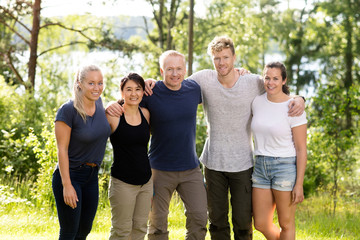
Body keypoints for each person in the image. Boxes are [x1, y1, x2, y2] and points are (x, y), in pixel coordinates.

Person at [179, 36, 305, 240]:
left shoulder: (252, 82)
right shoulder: (203, 79)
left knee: (243, 222)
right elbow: (175, 87)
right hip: (213, 163)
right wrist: (149, 83)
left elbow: (278, 90)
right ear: (212, 59)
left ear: (234, 57)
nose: (221, 62)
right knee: (217, 221)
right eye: (217, 58)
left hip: (243, 164)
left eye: (226, 57)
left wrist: (300, 99)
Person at [107, 50, 208, 240]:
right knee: (157, 224)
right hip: (158, 170)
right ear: (162, 70)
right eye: (170, 69)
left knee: (200, 218)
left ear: (185, 70)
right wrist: (111, 104)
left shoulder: (194, 89)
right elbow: (129, 97)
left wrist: (240, 73)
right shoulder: (150, 92)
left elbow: (221, 88)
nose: (175, 73)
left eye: (179, 68)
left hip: (191, 168)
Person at [52, 64, 111, 240]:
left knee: (84, 230)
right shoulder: (68, 110)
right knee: (70, 231)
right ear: (80, 83)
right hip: (71, 175)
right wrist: (67, 185)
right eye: (91, 83)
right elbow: (61, 149)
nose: (97, 88)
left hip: (92, 177)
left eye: (100, 83)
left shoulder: (100, 104)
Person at [251, 62, 307, 240]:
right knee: (260, 223)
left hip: (284, 167)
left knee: (286, 223)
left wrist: (299, 184)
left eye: (276, 78)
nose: (271, 82)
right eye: (267, 78)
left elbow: (301, 149)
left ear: (284, 80)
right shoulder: (257, 102)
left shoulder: (293, 107)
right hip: (260, 166)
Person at [106, 73, 152, 240]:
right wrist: (108, 105)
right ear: (122, 92)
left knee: (140, 230)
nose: (134, 94)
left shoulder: (146, 114)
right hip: (122, 183)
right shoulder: (113, 115)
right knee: (122, 231)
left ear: (143, 91)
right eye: (129, 89)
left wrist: (152, 82)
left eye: (138, 89)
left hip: (146, 182)